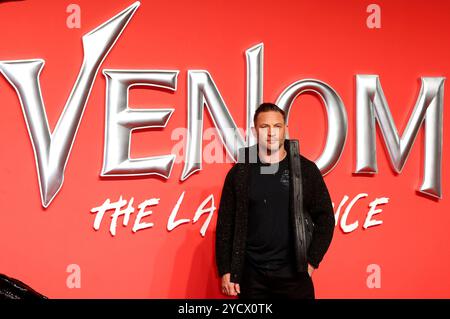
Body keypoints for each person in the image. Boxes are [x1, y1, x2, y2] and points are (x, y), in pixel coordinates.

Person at [215, 102, 335, 299]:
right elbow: (226, 225)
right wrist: (226, 270)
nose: (271, 133)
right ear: (255, 131)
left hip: (294, 276)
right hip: (251, 277)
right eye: (264, 127)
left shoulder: (306, 170)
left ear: (285, 129)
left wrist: (312, 261)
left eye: (277, 126)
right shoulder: (240, 172)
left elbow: (326, 218)